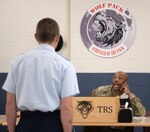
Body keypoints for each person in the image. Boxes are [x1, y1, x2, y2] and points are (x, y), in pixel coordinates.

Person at [2, 18, 80, 132]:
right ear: (58, 38)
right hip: (53, 126)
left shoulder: (17, 63)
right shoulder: (65, 65)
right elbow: (67, 107)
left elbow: (10, 104)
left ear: (36, 37)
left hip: (26, 125)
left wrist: (12, 130)